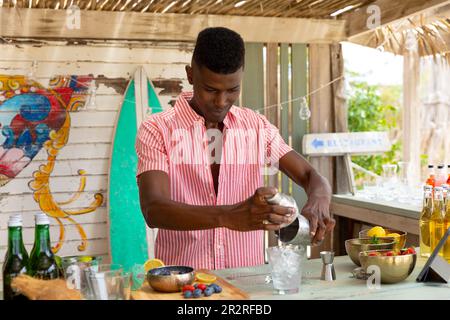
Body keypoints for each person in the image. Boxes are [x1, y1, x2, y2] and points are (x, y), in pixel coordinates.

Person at [136, 27, 335, 270]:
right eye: (210, 90)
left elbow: (310, 176)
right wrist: (228, 216)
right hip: (184, 285)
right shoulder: (156, 129)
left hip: (248, 285)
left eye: (232, 90)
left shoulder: (256, 126)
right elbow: (154, 209)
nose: (221, 102)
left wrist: (319, 199)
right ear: (190, 75)